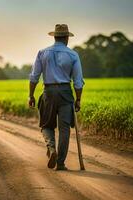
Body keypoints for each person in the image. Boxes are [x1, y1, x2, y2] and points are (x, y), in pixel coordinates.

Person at [28, 24, 84, 170]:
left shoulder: (42, 53)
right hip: (66, 93)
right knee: (64, 129)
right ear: (66, 38)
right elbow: (78, 82)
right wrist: (78, 99)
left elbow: (34, 77)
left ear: (54, 37)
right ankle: (60, 163)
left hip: (49, 92)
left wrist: (31, 95)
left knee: (46, 125)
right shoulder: (73, 55)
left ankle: (52, 149)